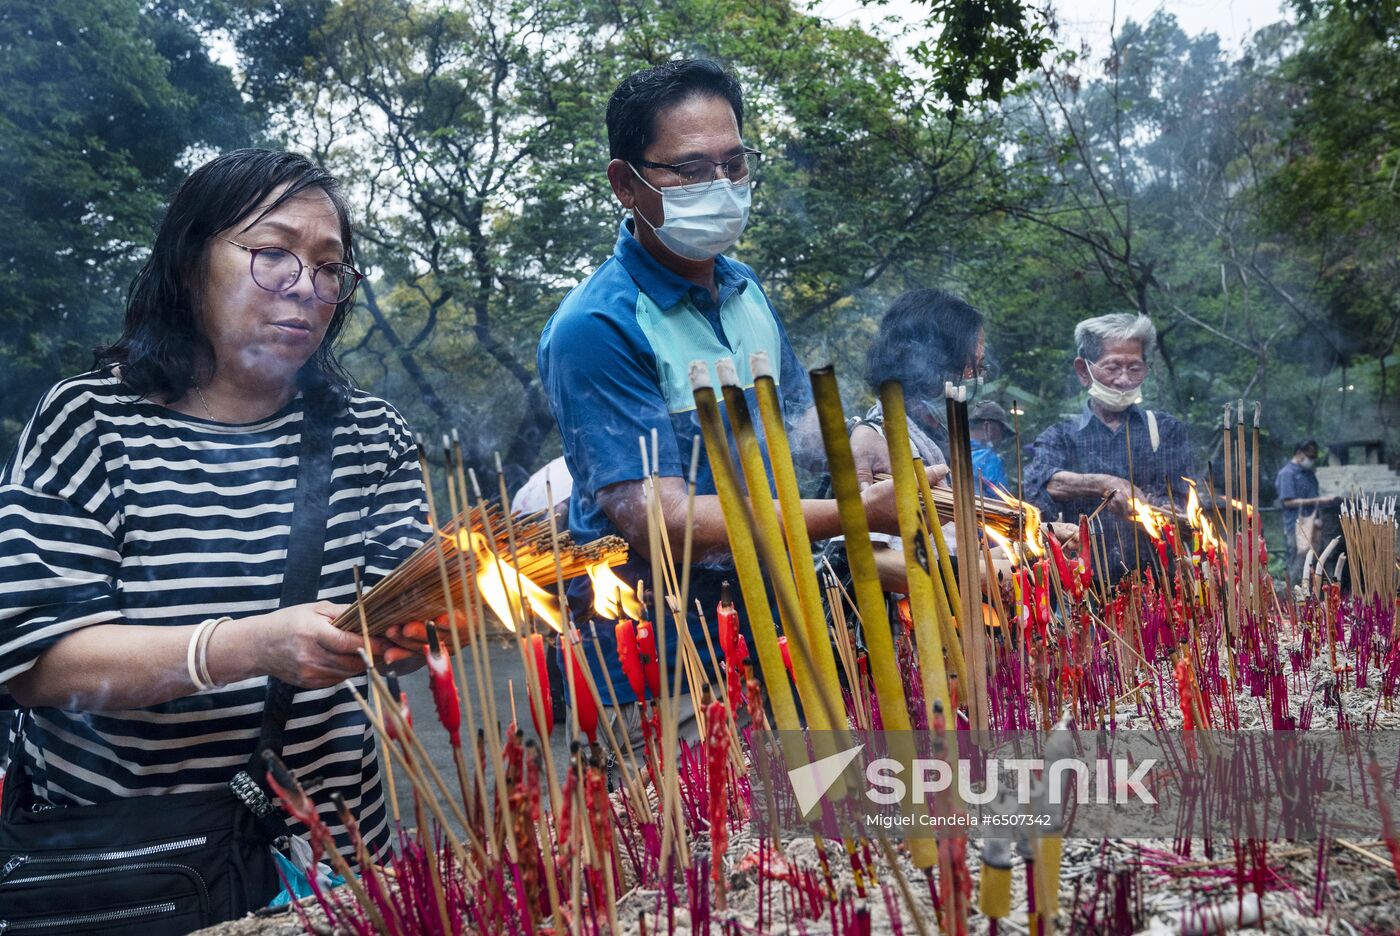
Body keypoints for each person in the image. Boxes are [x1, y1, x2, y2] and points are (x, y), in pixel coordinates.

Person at [0, 150, 430, 884]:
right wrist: (245, 647)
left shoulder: (372, 437)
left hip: (339, 862)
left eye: (330, 268)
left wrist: (429, 614)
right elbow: (34, 661)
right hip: (129, 870)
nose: (307, 286)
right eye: (273, 254)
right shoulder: (92, 423)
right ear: (190, 262)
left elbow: (408, 637)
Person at [537, 60, 938, 738]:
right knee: (705, 833)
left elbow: (786, 424)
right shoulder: (597, 327)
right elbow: (655, 521)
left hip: (773, 624)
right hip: (665, 657)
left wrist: (856, 437)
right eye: (690, 170)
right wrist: (850, 512)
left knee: (808, 827)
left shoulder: (744, 287)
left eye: (733, 163)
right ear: (624, 184)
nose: (719, 187)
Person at [1024, 312, 1196, 580]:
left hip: (1158, 588)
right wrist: (1105, 484)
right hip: (1084, 592)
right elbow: (1039, 483)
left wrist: (1144, 508)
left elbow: (1186, 509)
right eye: (1113, 367)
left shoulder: (1165, 431)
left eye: (1135, 368)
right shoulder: (1061, 436)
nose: (1125, 380)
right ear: (1084, 370)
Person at [1277, 440, 1336, 585]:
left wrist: (1317, 517)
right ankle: (1295, 598)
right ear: (1299, 453)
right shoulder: (1286, 474)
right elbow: (1287, 501)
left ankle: (1316, 598)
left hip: (1314, 525)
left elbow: (1314, 497)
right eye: (1310, 456)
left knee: (1316, 561)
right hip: (1295, 525)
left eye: (1314, 456)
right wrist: (1319, 500)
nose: (1312, 460)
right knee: (1299, 561)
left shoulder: (1309, 474)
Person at [968, 400, 1013, 492]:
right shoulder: (989, 459)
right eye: (1001, 431)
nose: (1001, 438)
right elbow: (1001, 499)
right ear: (987, 427)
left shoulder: (954, 450)